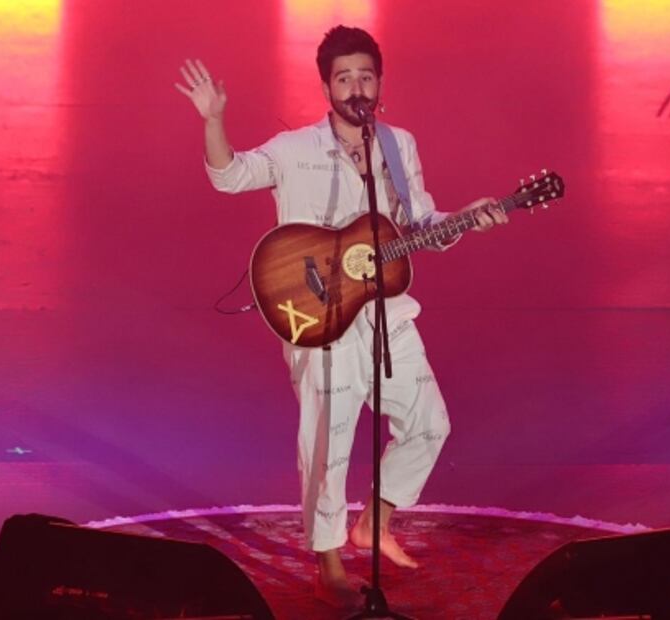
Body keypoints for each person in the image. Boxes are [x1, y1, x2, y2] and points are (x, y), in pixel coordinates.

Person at [176, 25, 506, 608]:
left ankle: (373, 523)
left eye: (366, 75)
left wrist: (468, 217)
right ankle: (328, 565)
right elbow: (230, 177)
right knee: (328, 445)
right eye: (344, 77)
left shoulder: (399, 146)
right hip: (317, 314)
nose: (357, 86)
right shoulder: (295, 148)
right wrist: (212, 119)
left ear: (381, 82)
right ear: (326, 85)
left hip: (386, 312)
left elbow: (422, 224)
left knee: (430, 422)